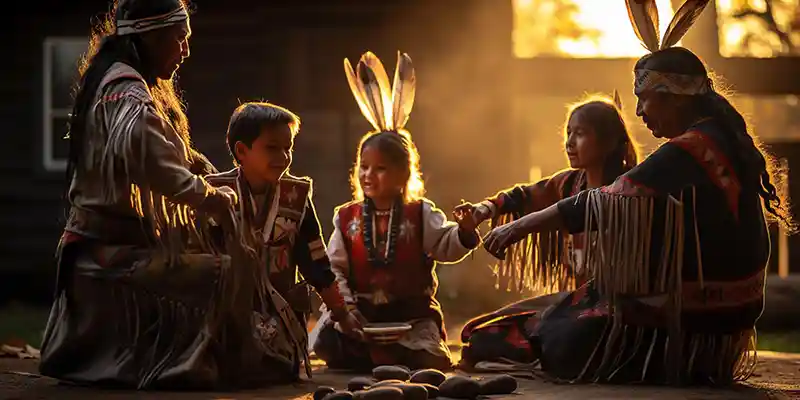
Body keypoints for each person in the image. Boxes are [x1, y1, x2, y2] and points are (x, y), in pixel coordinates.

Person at [482, 0, 794, 385]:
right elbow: (545, 193)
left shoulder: (693, 148)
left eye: (645, 98)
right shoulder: (714, 140)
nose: (640, 111)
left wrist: (518, 228)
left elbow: (607, 200)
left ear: (675, 96)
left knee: (550, 336)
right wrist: (490, 209)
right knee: (539, 323)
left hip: (698, 318)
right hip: (722, 314)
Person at [38, 0, 293, 390]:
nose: (185, 50)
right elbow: (158, 167)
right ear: (152, 37)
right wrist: (212, 199)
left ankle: (224, 356)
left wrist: (204, 172)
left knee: (222, 252)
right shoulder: (125, 95)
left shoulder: (130, 87)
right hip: (108, 256)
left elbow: (174, 155)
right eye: (179, 38)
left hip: (119, 245)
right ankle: (182, 366)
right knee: (220, 269)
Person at [310, 51, 481, 371]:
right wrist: (346, 312)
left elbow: (446, 245)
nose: (368, 176)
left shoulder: (420, 214)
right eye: (363, 167)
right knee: (326, 343)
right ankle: (376, 356)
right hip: (361, 317)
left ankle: (395, 357)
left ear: (403, 174)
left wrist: (466, 232)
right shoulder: (346, 218)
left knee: (431, 357)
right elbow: (335, 270)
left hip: (413, 319)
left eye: (381, 169)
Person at [455, 94, 639, 369]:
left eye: (581, 133)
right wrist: (484, 210)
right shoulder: (567, 183)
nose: (569, 142)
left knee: (564, 339)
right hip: (573, 304)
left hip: (619, 306)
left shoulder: (631, 188)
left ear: (610, 141)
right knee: (478, 333)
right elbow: (522, 195)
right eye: (568, 133)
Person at [204, 102, 364, 372]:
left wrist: (343, 316)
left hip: (282, 315)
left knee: (274, 370)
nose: (283, 156)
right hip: (227, 313)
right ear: (241, 151)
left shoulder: (296, 197)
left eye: (287, 148)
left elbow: (316, 264)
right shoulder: (214, 193)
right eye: (272, 147)